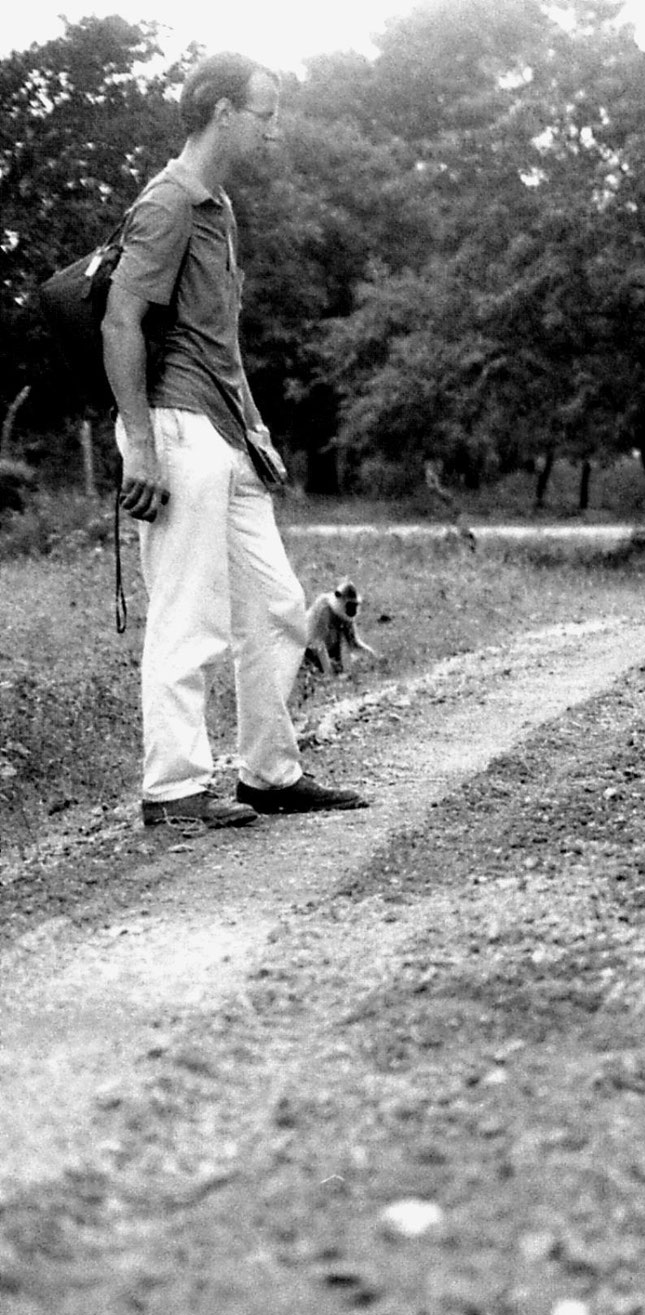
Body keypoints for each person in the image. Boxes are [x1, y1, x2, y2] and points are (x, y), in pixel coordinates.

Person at [103, 51, 367, 829]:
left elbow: (221, 336)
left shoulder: (218, 207)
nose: (274, 132)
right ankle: (175, 789)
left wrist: (255, 426)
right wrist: (143, 448)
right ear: (223, 112)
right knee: (189, 616)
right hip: (176, 429)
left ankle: (270, 773)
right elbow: (122, 322)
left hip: (225, 431)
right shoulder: (169, 203)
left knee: (279, 606)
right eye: (266, 115)